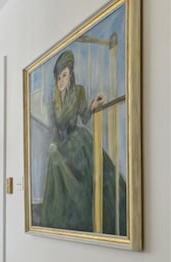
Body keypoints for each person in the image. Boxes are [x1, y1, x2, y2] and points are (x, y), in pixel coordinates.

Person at [40, 50, 126, 235]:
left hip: (77, 139)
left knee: (91, 168)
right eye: (59, 77)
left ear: (70, 74)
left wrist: (93, 106)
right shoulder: (53, 100)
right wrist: (54, 142)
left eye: (65, 75)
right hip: (60, 141)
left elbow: (85, 117)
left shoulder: (78, 91)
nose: (62, 80)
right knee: (54, 157)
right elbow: (56, 127)